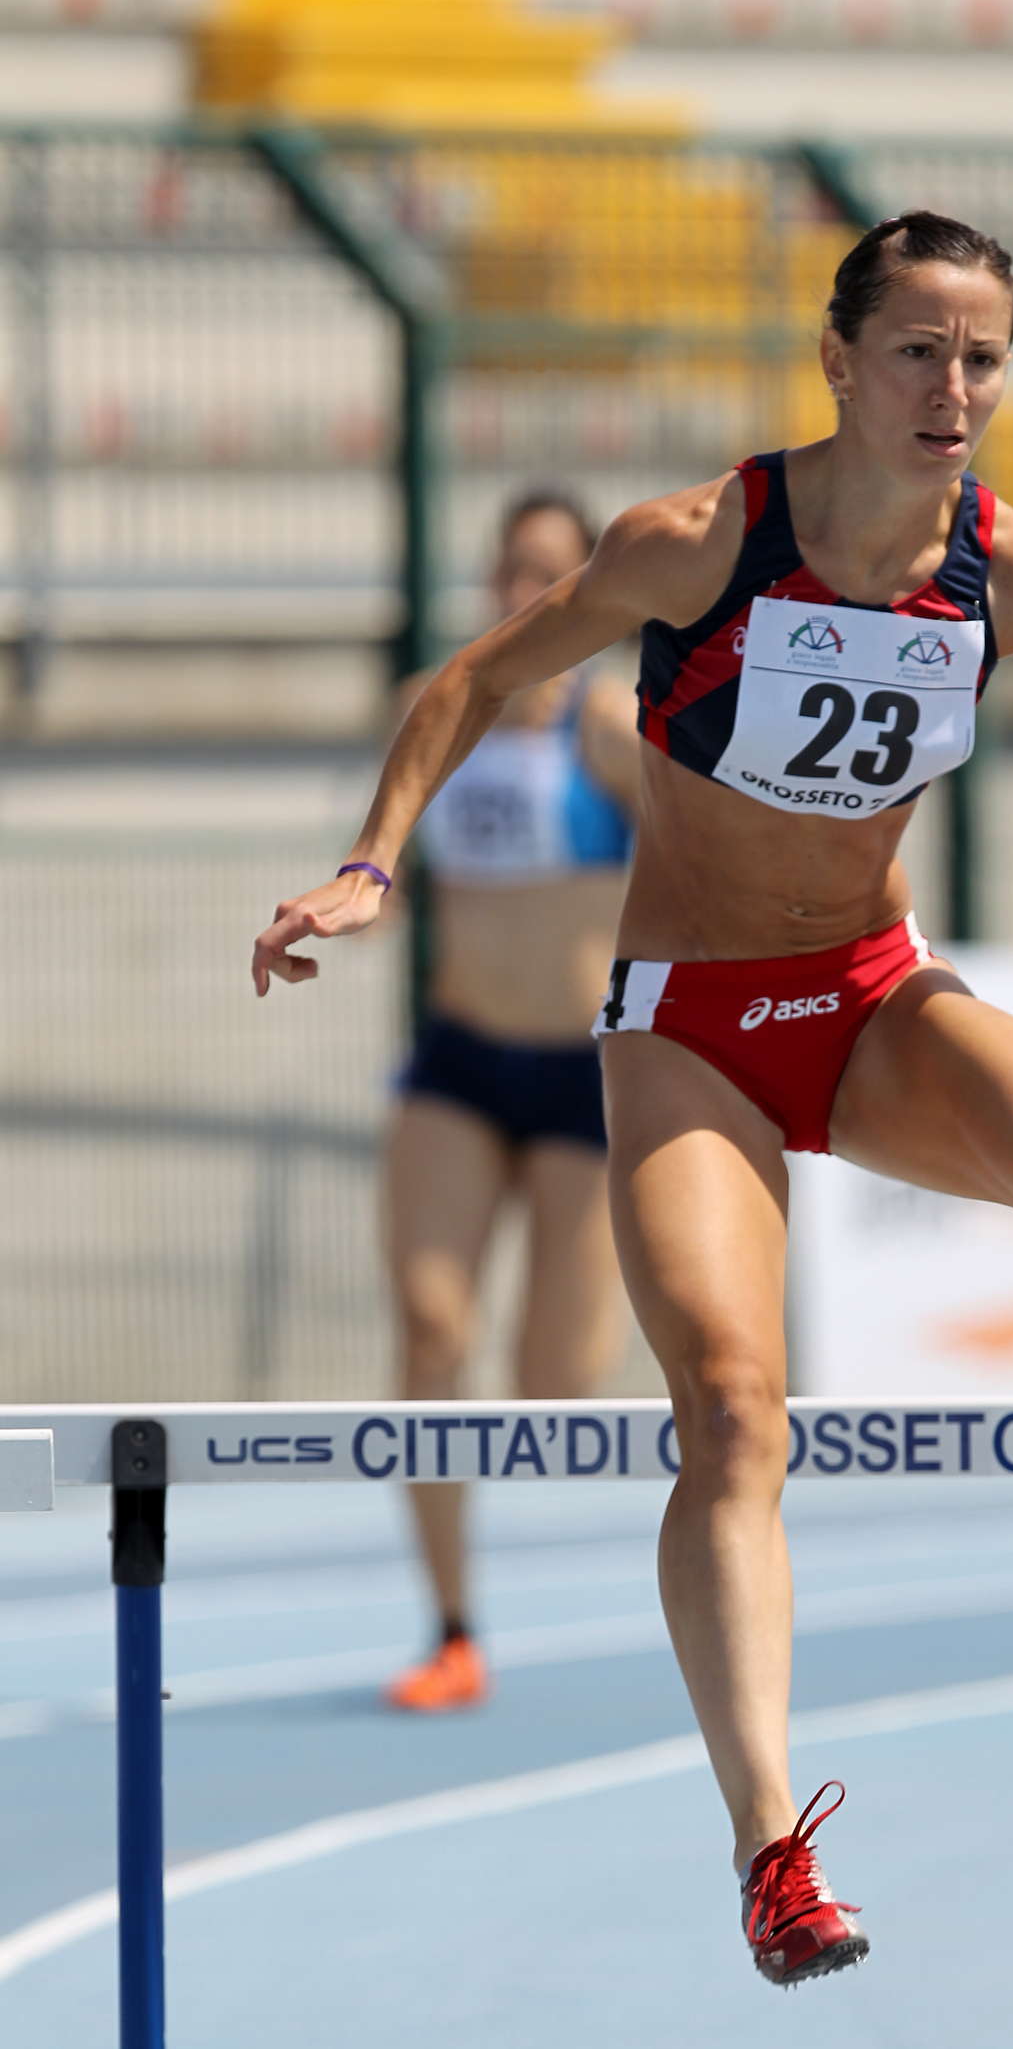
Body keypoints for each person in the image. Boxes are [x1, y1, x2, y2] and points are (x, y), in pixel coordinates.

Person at [254, 210, 1013, 1983]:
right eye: (918, 352)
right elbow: (474, 677)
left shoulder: (1007, 572)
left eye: (982, 360)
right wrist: (371, 862)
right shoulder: (698, 543)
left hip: (870, 1000)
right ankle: (772, 1850)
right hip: (688, 1029)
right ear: (838, 361)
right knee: (732, 1412)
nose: (952, 390)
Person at [382, 489, 640, 1711]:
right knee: (431, 1329)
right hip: (461, 1063)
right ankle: (451, 1628)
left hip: (581, 1077)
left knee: (556, 1385)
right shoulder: (437, 706)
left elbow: (710, 864)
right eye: (508, 568)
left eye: (549, 572)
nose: (521, 592)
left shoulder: (614, 727)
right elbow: (383, 853)